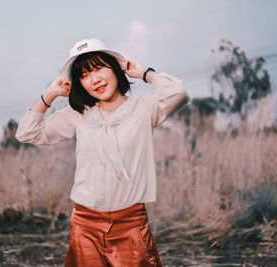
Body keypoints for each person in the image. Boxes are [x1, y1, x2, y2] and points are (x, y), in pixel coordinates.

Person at [15, 38, 190, 267]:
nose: (94, 79)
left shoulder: (143, 107)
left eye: (99, 68)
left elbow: (179, 94)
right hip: (85, 223)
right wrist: (49, 95)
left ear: (115, 69)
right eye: (85, 75)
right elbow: (27, 133)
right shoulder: (78, 114)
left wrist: (145, 73)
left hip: (130, 223)